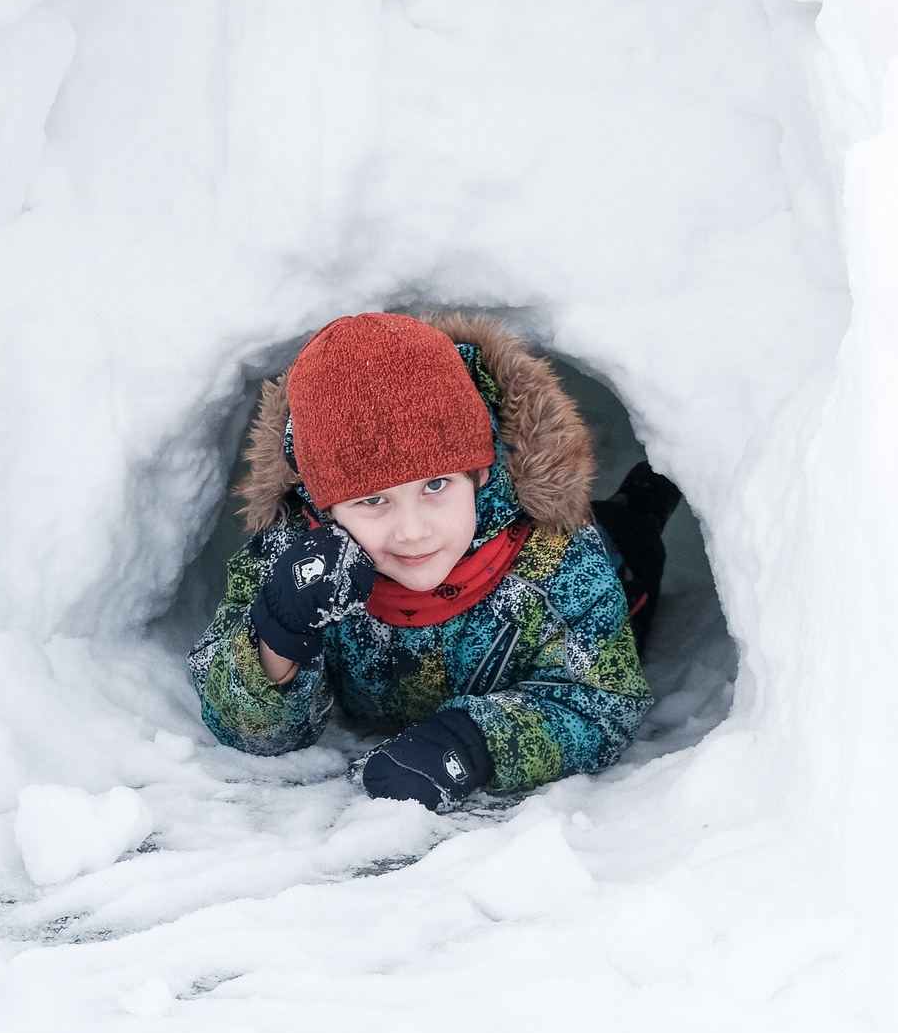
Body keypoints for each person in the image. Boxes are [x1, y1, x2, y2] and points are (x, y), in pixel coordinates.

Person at [189, 310, 683, 811]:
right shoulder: (292, 560)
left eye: (435, 485)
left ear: (480, 472)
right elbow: (243, 725)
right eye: (373, 500)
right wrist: (278, 631)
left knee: (633, 532)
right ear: (322, 506)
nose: (412, 531)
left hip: (620, 562)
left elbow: (605, 701)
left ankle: (647, 495)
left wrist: (471, 743)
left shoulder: (556, 559)